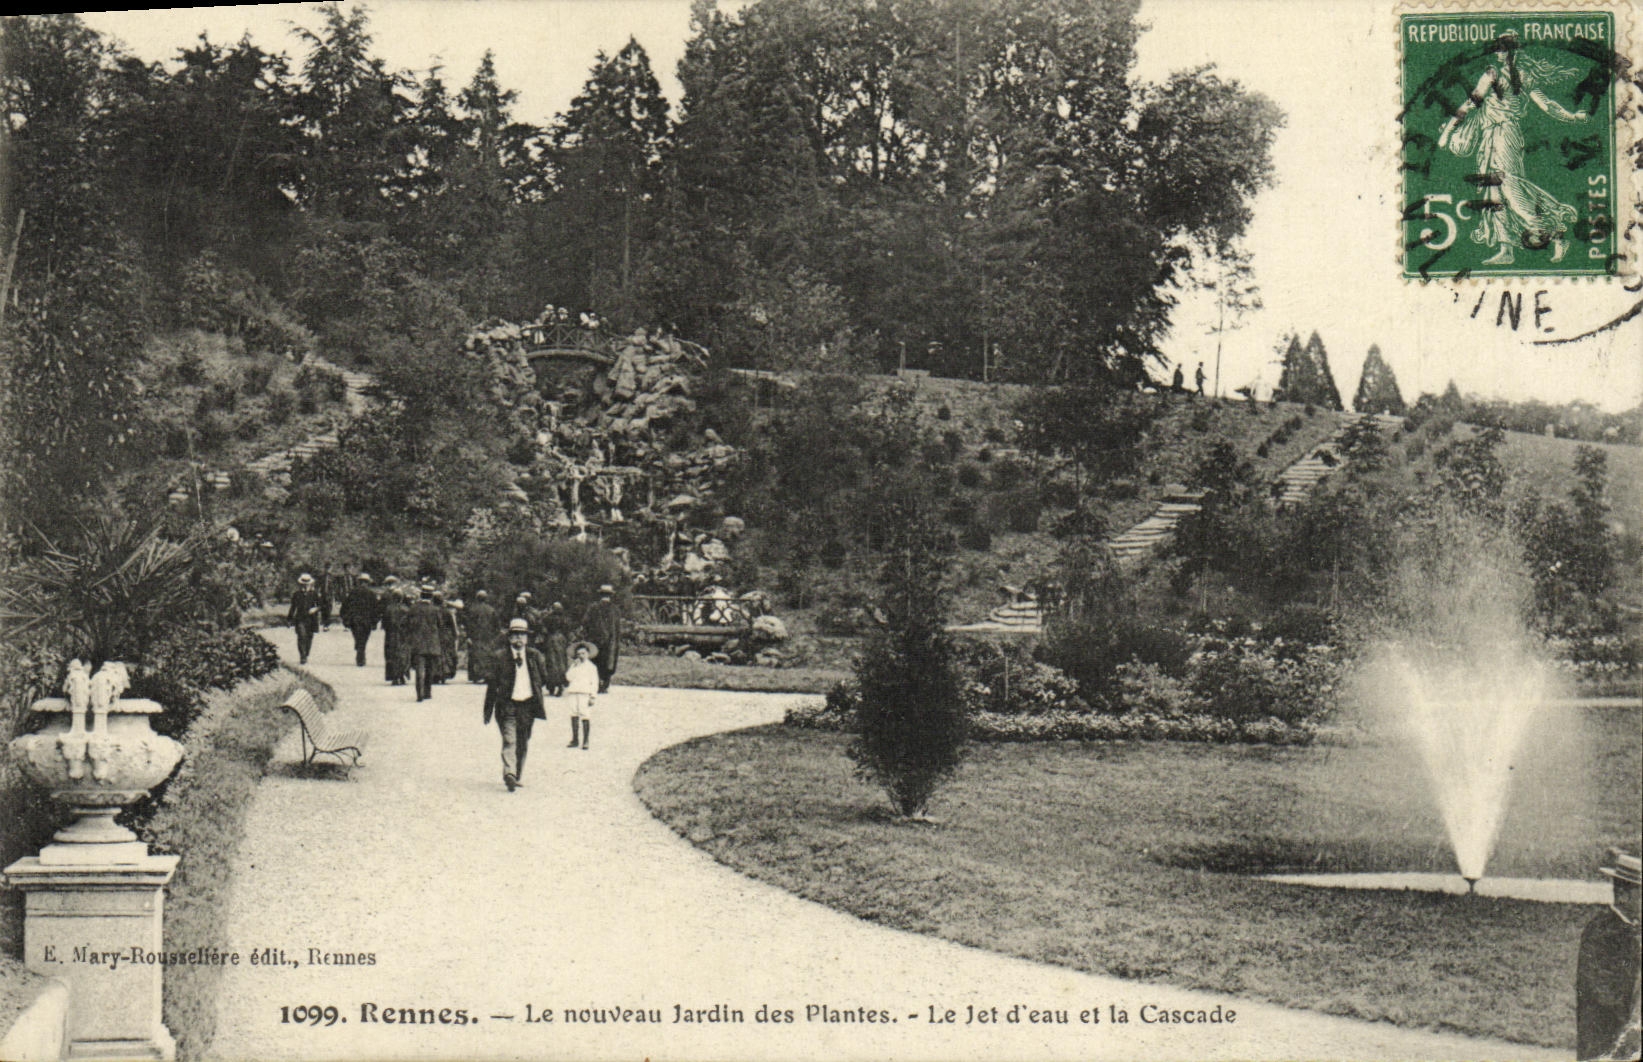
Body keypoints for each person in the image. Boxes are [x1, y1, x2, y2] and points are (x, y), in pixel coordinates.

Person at [1437, 32, 1589, 266]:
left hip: (1506, 136)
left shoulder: (1520, 77)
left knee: (1511, 188)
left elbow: (1546, 105)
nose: (1498, 53)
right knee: (1495, 196)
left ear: (1513, 51)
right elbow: (1472, 103)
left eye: (1502, 49)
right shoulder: (1494, 74)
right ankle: (1506, 249)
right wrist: (1448, 130)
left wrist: (1573, 117)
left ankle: (1557, 233)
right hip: (1490, 137)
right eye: (1497, 49)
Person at [1577, 849, 1641, 1061]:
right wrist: (1629, 1026)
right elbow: (1600, 988)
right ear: (1623, 895)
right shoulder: (1602, 930)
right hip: (1601, 1033)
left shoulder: (1630, 929)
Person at [483, 618, 550, 791]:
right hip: (507, 705)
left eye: (522, 635)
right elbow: (491, 684)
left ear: (527, 638)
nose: (518, 639)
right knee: (509, 739)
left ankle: (516, 774)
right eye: (515, 635)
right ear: (509, 638)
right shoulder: (499, 657)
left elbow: (542, 678)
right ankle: (509, 773)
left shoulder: (535, 656)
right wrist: (488, 710)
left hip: (528, 705)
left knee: (523, 741)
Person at [405, 583, 446, 702]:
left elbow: (407, 624)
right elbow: (440, 626)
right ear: (431, 596)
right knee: (429, 669)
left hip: (417, 643)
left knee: (419, 668)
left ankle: (419, 693)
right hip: (432, 643)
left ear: (421, 594)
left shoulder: (414, 608)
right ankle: (427, 692)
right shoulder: (435, 609)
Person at [580, 583, 622, 693]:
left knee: (595, 660)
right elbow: (618, 628)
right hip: (610, 641)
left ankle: (595, 683)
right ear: (611, 596)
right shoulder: (615, 610)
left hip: (595, 640)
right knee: (608, 661)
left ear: (600, 595)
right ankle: (605, 684)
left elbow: (585, 622)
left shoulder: (593, 607)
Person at [339, 572, 382, 667]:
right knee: (364, 638)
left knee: (358, 637)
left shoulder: (353, 592)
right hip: (366, 621)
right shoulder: (371, 594)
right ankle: (360, 654)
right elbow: (377, 609)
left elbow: (345, 607)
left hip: (355, 620)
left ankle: (359, 651)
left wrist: (345, 619)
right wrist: (375, 621)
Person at [564, 641, 599, 750]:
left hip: (585, 693)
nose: (581, 656)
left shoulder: (591, 667)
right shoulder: (575, 666)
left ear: (588, 654)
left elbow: (594, 682)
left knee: (585, 715)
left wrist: (593, 696)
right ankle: (575, 739)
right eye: (579, 654)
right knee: (573, 714)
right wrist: (573, 666)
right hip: (573, 692)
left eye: (583, 653)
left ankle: (586, 741)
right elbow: (568, 677)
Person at [287, 573, 324, 665]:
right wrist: (289, 619)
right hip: (300, 618)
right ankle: (302, 656)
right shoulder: (297, 594)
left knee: (309, 637)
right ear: (301, 584)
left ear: (310, 584)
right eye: (303, 584)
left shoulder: (314, 594)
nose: (305, 585)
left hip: (311, 619)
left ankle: (306, 653)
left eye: (307, 583)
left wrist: (315, 609)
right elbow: (293, 607)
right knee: (301, 636)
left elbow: (321, 605)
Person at [464, 590, 500, 683]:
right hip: (488, 637)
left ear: (477, 598)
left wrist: (468, 636)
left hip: (476, 636)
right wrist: (495, 635)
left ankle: (475, 676)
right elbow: (497, 625)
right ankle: (487, 676)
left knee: (475, 655)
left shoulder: (472, 609)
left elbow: (468, 624)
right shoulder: (491, 610)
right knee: (488, 655)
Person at [382, 587, 410, 686]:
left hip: (391, 635)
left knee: (391, 655)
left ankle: (394, 676)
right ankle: (402, 675)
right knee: (403, 655)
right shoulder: (406, 609)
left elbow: (384, 624)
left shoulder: (388, 609)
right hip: (403, 636)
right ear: (402, 598)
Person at [540, 601, 569, 696]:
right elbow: (568, 630)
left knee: (551, 662)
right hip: (561, 640)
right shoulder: (564, 619)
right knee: (561, 662)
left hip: (551, 640)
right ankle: (561, 683)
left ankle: (552, 685)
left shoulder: (548, 618)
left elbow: (541, 626)